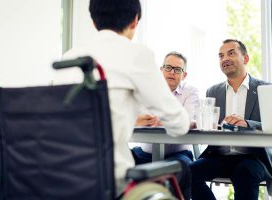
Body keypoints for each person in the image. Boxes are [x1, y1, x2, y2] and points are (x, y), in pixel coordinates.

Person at [61, 0, 190, 193]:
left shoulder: (70, 57)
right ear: (135, 21)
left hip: (63, 174)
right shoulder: (136, 54)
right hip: (111, 180)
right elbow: (179, 125)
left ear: (94, 22)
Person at [190, 39, 271, 200]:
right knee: (190, 171)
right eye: (221, 56)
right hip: (220, 156)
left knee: (244, 172)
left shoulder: (265, 89)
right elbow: (210, 124)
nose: (224, 58)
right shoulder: (212, 91)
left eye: (231, 53)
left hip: (254, 158)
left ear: (246, 58)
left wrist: (247, 124)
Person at [131, 51, 199, 200]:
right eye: (168, 67)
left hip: (177, 155)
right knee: (117, 161)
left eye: (177, 69)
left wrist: (168, 119)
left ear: (184, 75)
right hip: (145, 154)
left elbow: (190, 119)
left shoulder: (190, 92)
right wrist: (136, 120)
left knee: (183, 168)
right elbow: (128, 116)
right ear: (161, 70)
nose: (172, 72)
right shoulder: (146, 90)